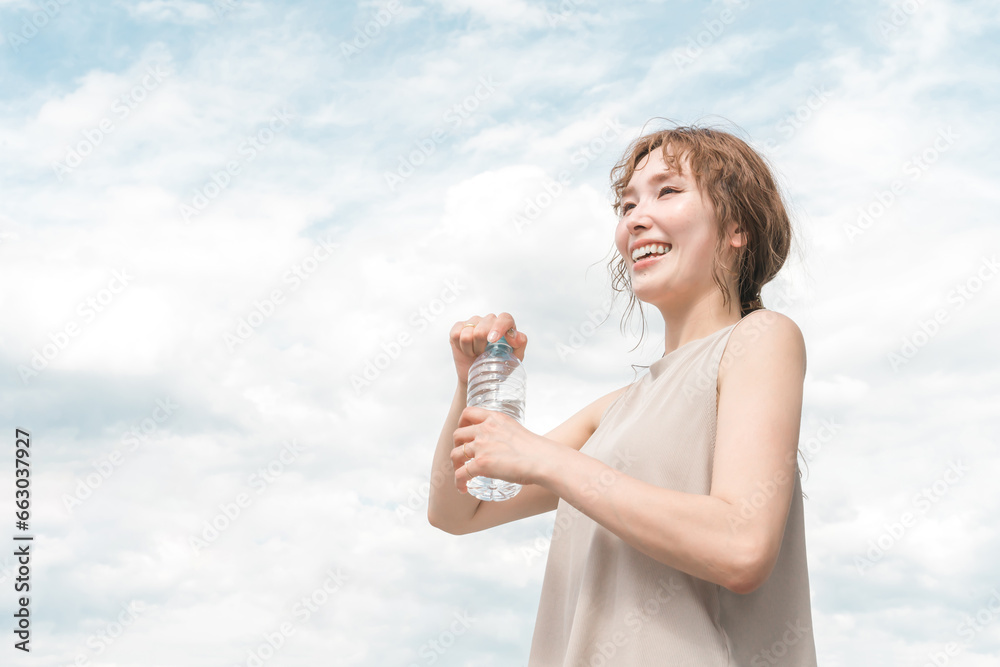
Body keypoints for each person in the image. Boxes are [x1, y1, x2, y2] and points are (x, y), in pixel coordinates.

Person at [427, 123, 817, 666]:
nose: (635, 217)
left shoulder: (761, 338)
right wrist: (473, 387)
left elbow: (741, 546)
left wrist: (546, 461)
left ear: (737, 228)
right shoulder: (612, 412)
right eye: (626, 203)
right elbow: (458, 510)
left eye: (669, 190)